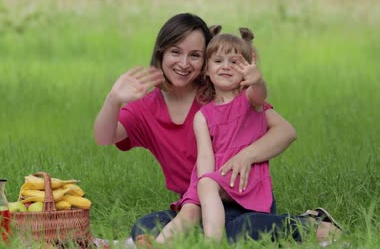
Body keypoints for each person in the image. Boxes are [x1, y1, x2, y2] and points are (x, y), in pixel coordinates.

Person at [93, 13, 342, 246]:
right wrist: (114, 98)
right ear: (161, 53)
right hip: (197, 204)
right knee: (143, 228)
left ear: (205, 61)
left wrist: (246, 156)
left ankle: (312, 223)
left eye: (195, 55)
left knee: (240, 229)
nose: (183, 63)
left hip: (242, 199)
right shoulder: (146, 108)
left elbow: (285, 131)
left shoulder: (219, 93)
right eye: (175, 52)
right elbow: (104, 137)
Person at [156, 27, 277, 243]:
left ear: (245, 69)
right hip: (213, 178)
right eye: (218, 61)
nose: (226, 67)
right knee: (189, 211)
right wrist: (201, 187)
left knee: (208, 188)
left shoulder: (249, 101)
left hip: (242, 174)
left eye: (234, 62)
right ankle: (157, 245)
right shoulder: (203, 115)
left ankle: (213, 242)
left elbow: (259, 94)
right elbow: (204, 156)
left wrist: (257, 80)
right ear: (206, 70)